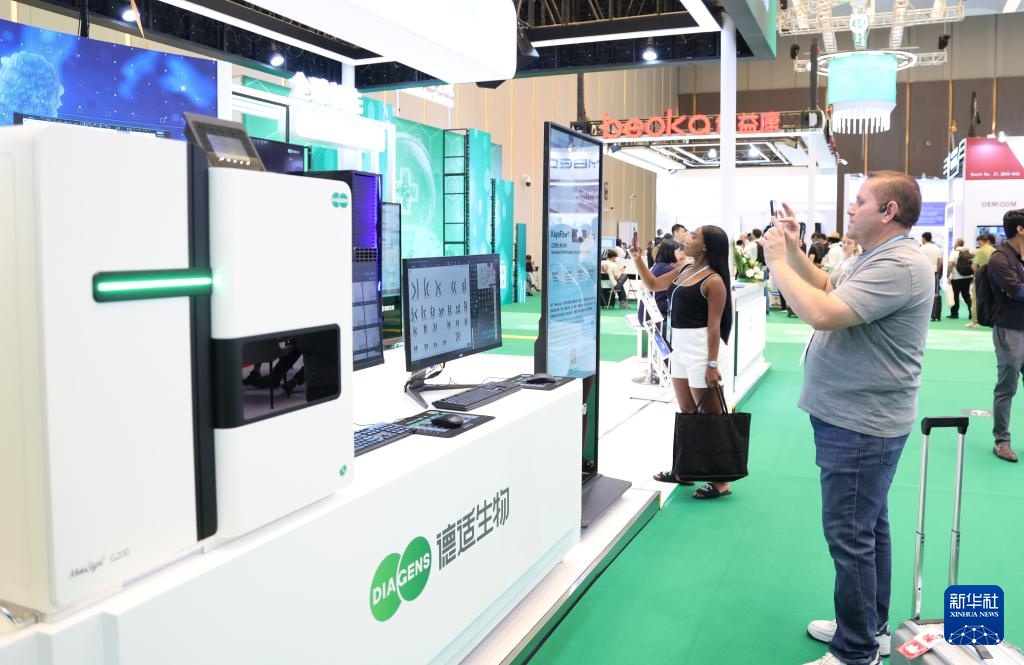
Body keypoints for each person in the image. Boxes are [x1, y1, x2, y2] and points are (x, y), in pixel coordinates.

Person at [763, 171, 932, 665]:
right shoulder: (874, 256)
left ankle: (856, 651)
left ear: (888, 212)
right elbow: (824, 285)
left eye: (860, 201)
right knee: (868, 527)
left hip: (861, 422)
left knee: (851, 535)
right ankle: (869, 627)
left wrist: (776, 262)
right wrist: (794, 248)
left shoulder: (899, 265)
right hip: (857, 416)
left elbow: (821, 312)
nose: (851, 208)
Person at [631, 226, 735, 500]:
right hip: (680, 350)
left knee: (710, 418)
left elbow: (714, 326)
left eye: (695, 236)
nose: (688, 239)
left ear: (706, 246)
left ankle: (721, 481)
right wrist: (638, 259)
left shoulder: (714, 281)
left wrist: (712, 364)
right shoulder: (684, 270)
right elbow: (653, 285)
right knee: (687, 412)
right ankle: (685, 470)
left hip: (703, 353)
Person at [985, 209, 1024, 464]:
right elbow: (1017, 291)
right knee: (1007, 387)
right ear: (1020, 229)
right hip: (1009, 329)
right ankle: (1002, 441)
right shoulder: (999, 259)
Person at [967, 233, 996, 328]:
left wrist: (978, 274)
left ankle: (975, 321)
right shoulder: (994, 250)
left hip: (982, 277)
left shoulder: (980, 251)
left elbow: (974, 266)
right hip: (993, 277)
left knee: (976, 298)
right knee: (992, 298)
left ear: (981, 241)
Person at [947, 238, 973, 319]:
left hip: (956, 277)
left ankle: (954, 313)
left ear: (957, 244)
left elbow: (950, 264)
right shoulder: (969, 252)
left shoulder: (954, 252)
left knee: (955, 295)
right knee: (966, 295)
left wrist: (948, 275)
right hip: (968, 277)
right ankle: (972, 312)